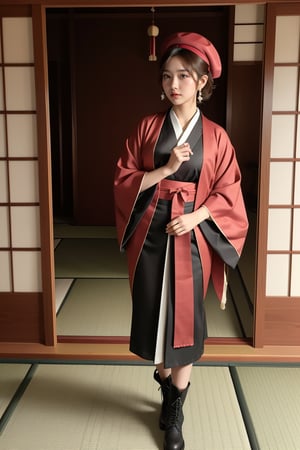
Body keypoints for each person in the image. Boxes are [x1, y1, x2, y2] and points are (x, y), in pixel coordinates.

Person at [114, 32, 248, 450]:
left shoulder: (218, 136)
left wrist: (196, 216)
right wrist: (167, 166)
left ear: (203, 81)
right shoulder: (148, 128)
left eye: (185, 76)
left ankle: (174, 411)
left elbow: (229, 192)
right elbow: (124, 180)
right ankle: (163, 380)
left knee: (187, 320)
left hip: (193, 235)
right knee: (155, 313)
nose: (174, 85)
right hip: (152, 232)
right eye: (168, 76)